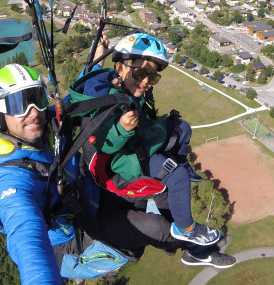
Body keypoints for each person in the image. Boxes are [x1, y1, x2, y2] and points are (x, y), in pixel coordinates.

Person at [0, 64, 233, 285]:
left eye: (36, 99)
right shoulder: (7, 178)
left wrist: (108, 70)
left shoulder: (46, 124)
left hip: (87, 196)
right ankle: (187, 246)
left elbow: (83, 99)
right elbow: (27, 238)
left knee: (154, 184)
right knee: (156, 227)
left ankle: (191, 247)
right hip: (76, 237)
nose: (33, 112)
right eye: (20, 104)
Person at [70, 32, 223, 247]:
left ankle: (183, 165)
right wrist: (121, 129)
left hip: (137, 139)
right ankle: (186, 229)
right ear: (120, 67)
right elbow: (102, 143)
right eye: (141, 73)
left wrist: (99, 54)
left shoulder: (113, 81)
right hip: (124, 160)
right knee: (178, 177)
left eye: (152, 77)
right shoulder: (108, 101)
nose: (146, 82)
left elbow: (92, 75)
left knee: (183, 128)